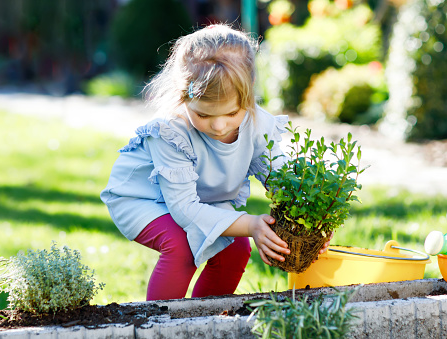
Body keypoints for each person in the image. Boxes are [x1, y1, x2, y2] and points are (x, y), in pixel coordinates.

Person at [100, 24, 329, 301]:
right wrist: (251, 223)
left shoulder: (258, 124)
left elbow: (280, 177)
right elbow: (184, 209)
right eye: (204, 116)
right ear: (183, 96)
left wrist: (313, 222)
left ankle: (204, 318)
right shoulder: (171, 132)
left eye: (232, 113)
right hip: (142, 198)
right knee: (181, 246)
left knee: (236, 248)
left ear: (250, 91)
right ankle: (159, 323)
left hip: (197, 198)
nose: (219, 126)